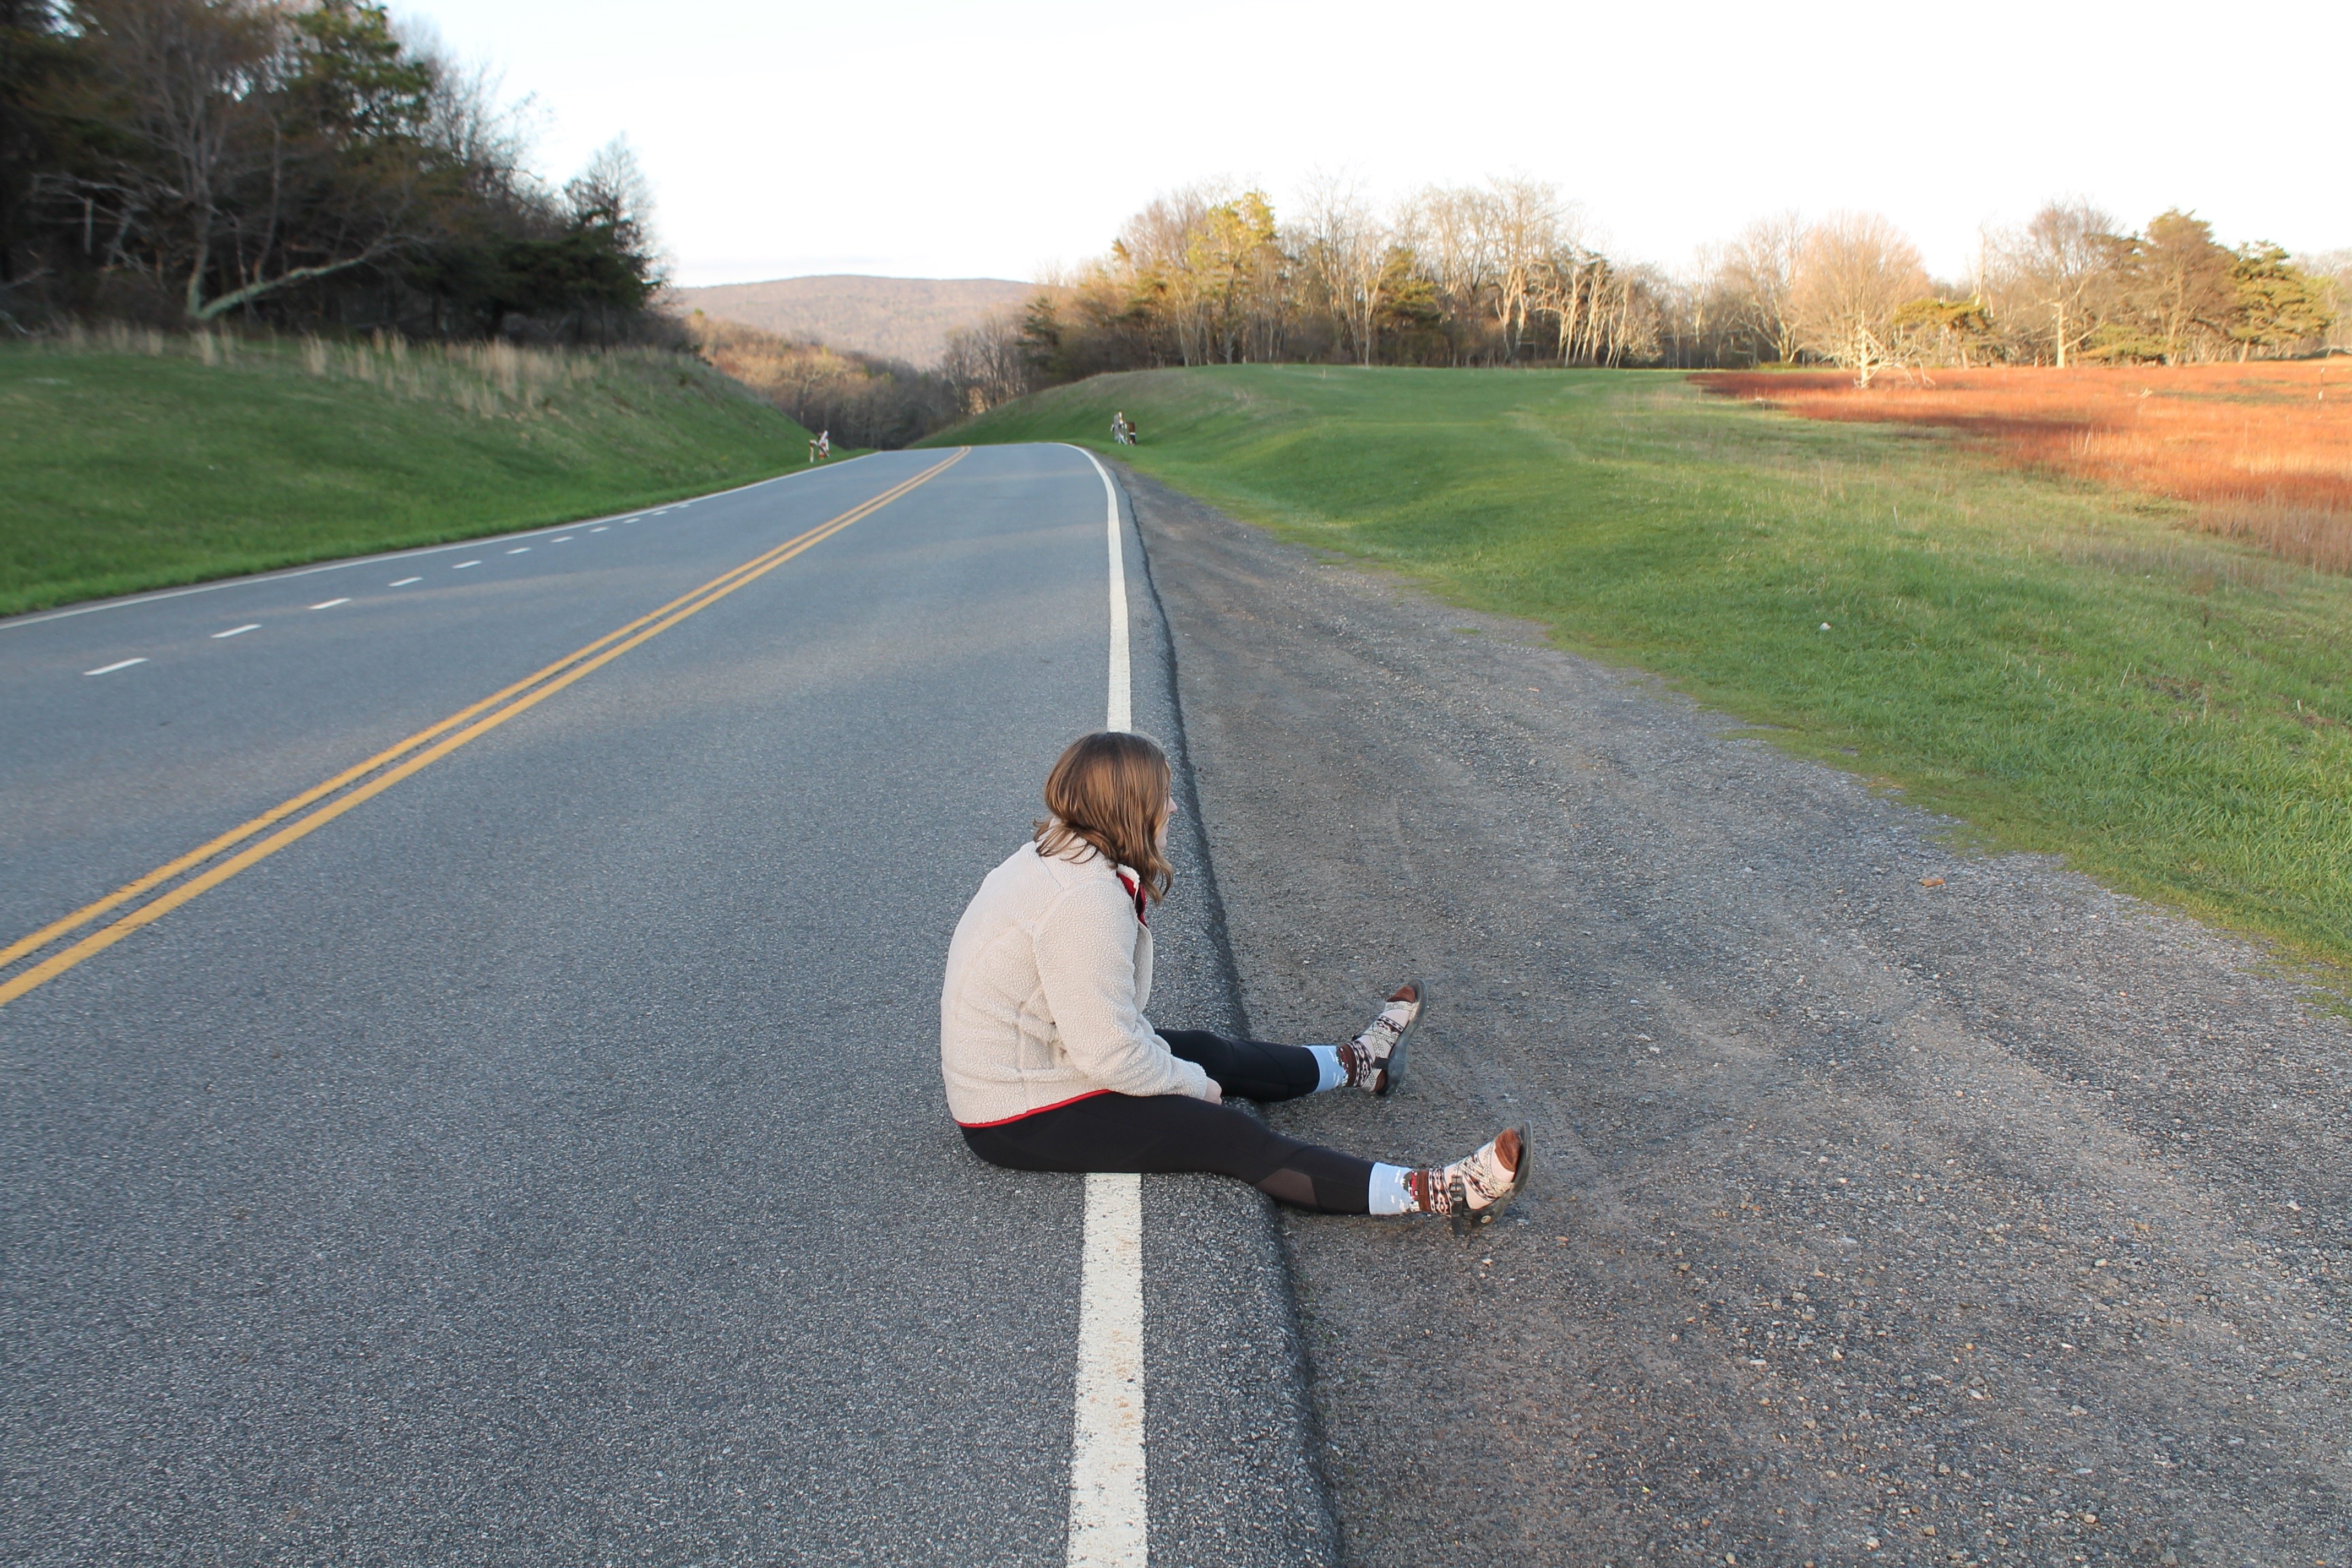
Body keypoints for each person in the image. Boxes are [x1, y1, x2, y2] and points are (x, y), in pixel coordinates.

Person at [941, 731, 1528, 1231]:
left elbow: (1105, 1037)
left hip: (1044, 1062)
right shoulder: (1083, 902)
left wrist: (1189, 1069)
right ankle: (1446, 1192)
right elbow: (1111, 1056)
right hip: (1017, 1114)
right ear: (1128, 807)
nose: (1173, 808)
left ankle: (1361, 1063)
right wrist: (1194, 1088)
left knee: (1207, 1049)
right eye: (1162, 795)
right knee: (1228, 1136)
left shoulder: (1060, 853)